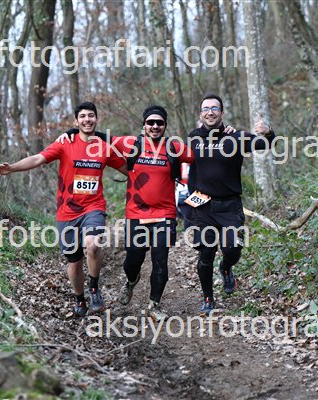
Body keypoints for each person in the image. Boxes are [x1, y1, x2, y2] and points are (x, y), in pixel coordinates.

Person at [56, 105, 194, 321]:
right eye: (150, 122)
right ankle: (131, 281)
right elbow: (98, 136)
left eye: (159, 123)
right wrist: (72, 132)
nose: (155, 126)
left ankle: (154, 304)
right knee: (132, 262)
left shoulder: (174, 147)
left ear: (165, 126)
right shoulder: (130, 143)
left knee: (160, 261)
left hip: (165, 214)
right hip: (137, 214)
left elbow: (202, 157)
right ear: (144, 125)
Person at [0, 102, 127, 317]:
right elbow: (38, 158)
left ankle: (94, 288)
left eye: (91, 116)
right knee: (74, 262)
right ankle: (79, 298)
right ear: (76, 121)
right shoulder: (65, 143)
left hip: (93, 207)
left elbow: (129, 169)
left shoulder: (104, 147)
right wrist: (12, 168)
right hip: (67, 212)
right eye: (83, 116)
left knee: (93, 245)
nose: (87, 119)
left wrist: (159, 170)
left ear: (96, 119)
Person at [187, 94, 275, 316]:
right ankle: (208, 298)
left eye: (214, 108)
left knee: (233, 249)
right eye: (206, 109)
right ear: (200, 114)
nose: (210, 112)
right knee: (206, 254)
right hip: (203, 207)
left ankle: (226, 268)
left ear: (222, 113)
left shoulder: (236, 137)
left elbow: (267, 144)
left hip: (230, 205)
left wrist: (268, 131)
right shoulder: (194, 138)